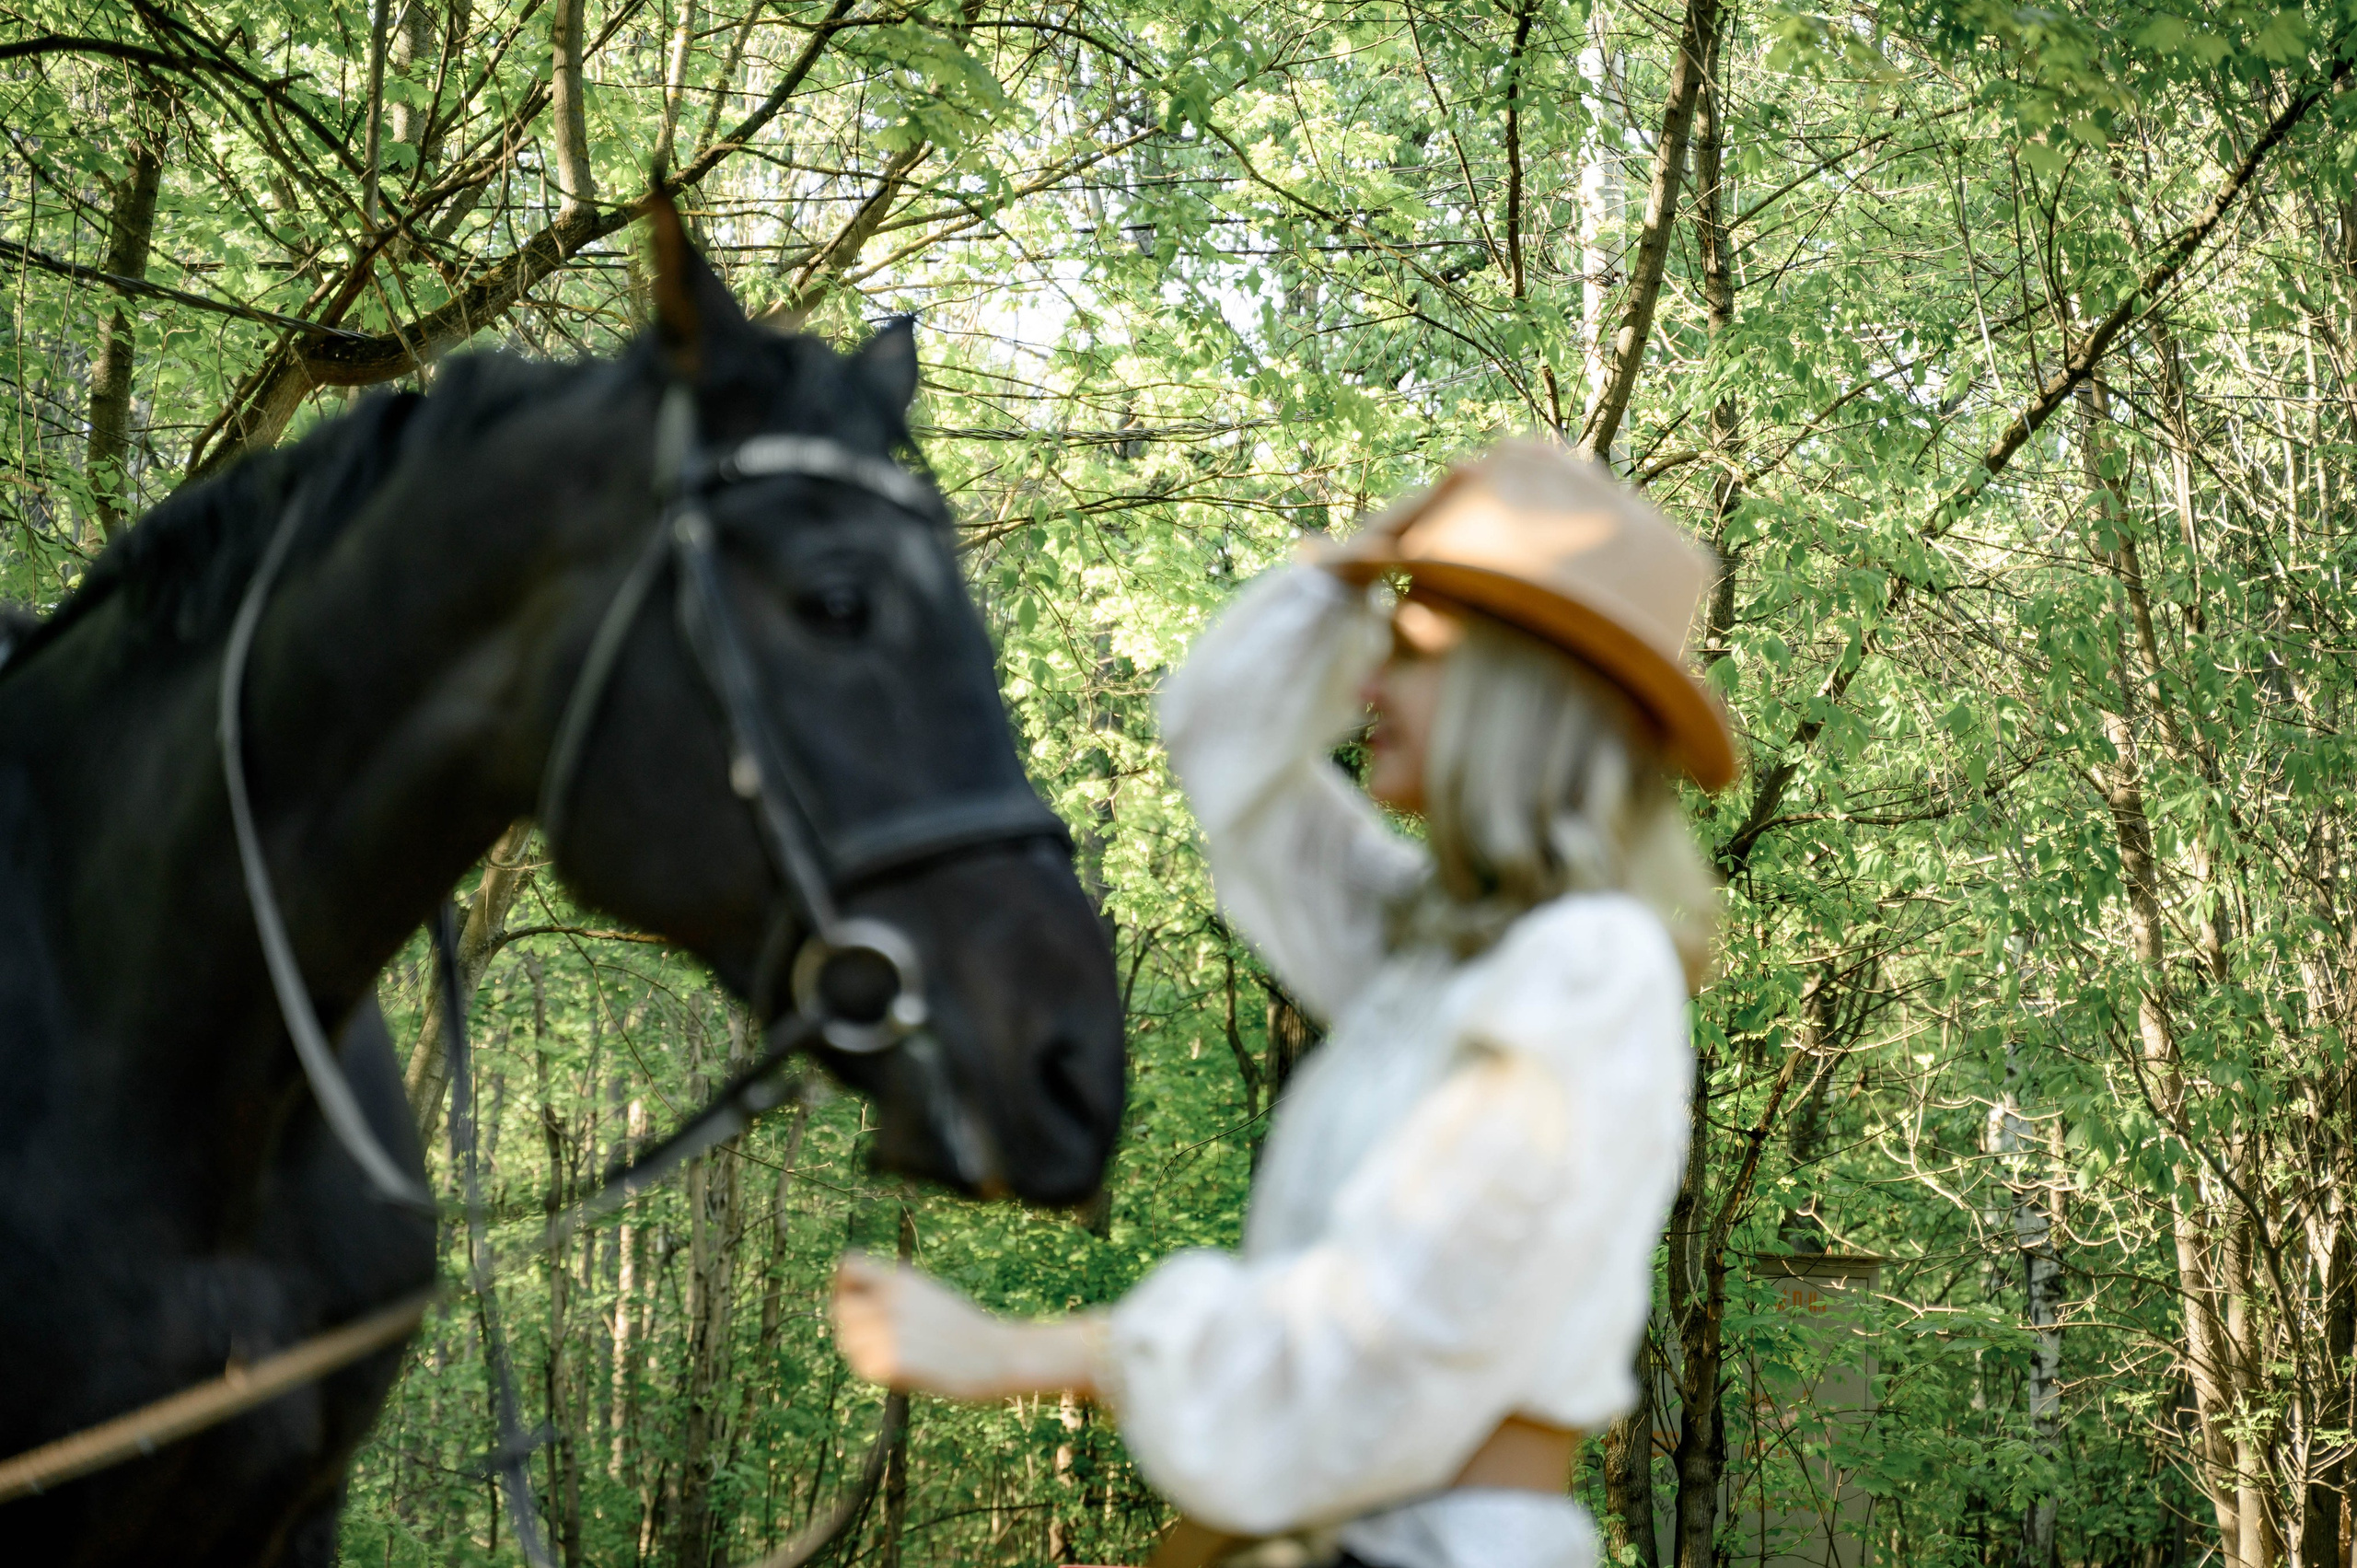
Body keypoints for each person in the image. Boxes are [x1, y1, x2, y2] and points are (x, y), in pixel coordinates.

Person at [831, 439, 1736, 1568]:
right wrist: (1343, 568)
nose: (1365, 687)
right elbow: (1221, 739)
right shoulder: (1430, 948)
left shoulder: (1588, 967)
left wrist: (1022, 1352)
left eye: (1407, 653)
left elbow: (1391, 1331)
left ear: (1516, 692)